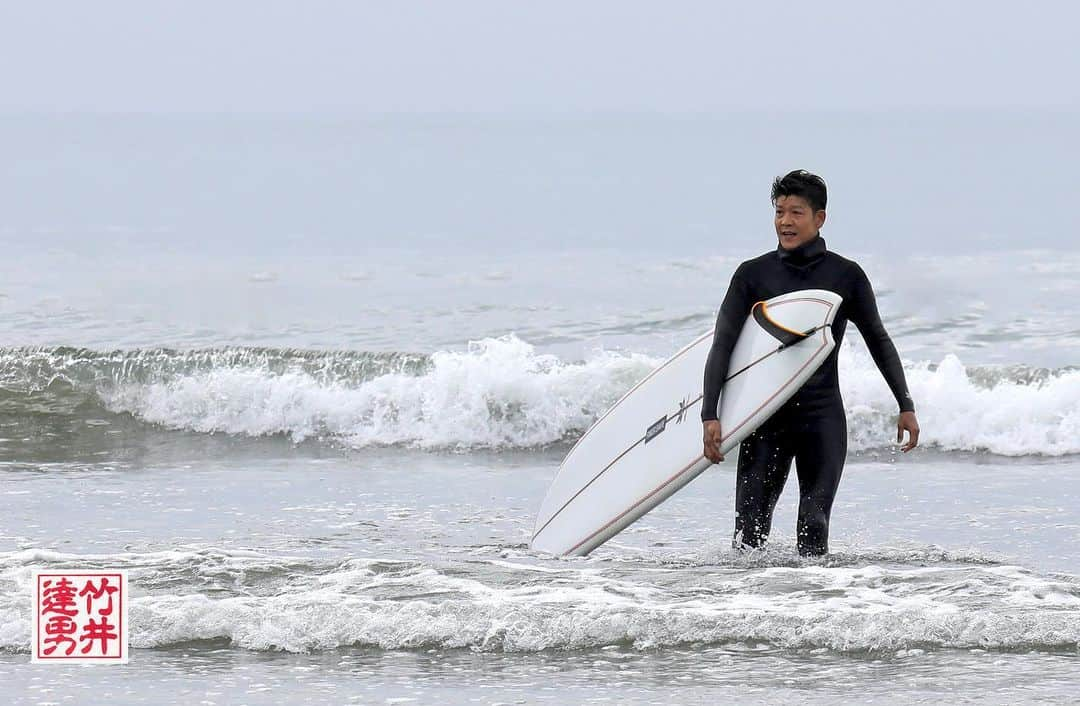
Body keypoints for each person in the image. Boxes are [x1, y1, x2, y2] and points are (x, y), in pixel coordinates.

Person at [700, 169, 920, 556]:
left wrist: (905, 404)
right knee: (748, 533)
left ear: (820, 218)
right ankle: (746, 608)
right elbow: (722, 344)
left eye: (796, 212)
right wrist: (710, 414)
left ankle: (815, 608)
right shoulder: (753, 275)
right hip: (765, 419)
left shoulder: (845, 276)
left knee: (813, 526)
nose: (785, 221)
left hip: (821, 417)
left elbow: (878, 340)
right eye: (779, 211)